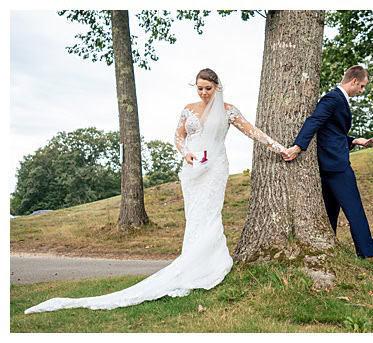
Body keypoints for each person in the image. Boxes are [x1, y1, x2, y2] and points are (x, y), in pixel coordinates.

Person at [25, 68, 286, 314]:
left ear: (217, 87)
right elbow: (178, 136)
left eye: (208, 88)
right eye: (199, 88)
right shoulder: (188, 110)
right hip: (194, 169)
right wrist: (186, 154)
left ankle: (212, 264)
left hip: (216, 167)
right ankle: (192, 262)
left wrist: (280, 148)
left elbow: (253, 132)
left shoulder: (229, 111)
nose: (203, 93)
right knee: (194, 216)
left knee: (211, 213)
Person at [281, 65, 373, 268]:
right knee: (355, 209)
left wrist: (356, 140)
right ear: (354, 81)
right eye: (363, 86)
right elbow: (314, 121)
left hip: (329, 164)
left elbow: (332, 133)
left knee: (330, 212)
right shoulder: (333, 98)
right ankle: (369, 255)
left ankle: (328, 249)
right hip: (337, 166)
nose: (361, 91)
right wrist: (297, 147)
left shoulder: (339, 100)